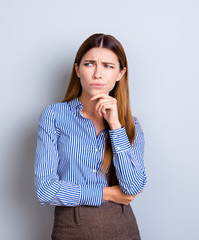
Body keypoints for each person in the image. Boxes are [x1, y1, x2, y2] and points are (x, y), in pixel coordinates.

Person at [34, 33, 147, 240]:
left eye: (108, 66)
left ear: (120, 74)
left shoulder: (130, 125)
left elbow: (132, 188)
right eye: (89, 64)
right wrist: (108, 194)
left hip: (122, 227)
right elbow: (46, 189)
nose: (97, 74)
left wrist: (115, 126)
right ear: (77, 69)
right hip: (71, 227)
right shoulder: (54, 116)